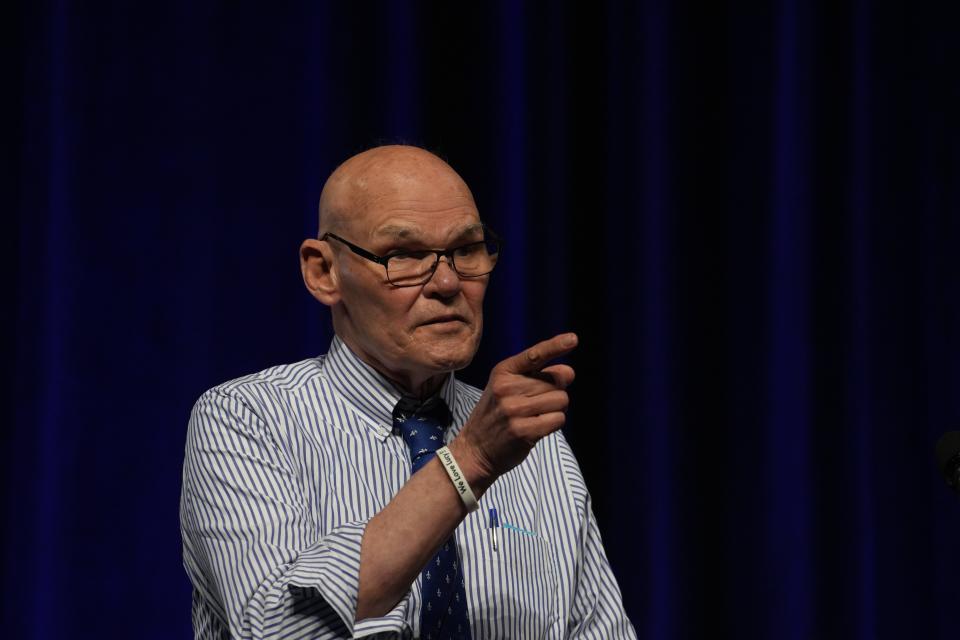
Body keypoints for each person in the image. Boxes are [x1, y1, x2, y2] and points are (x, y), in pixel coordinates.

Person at [180, 145, 637, 639]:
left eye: (466, 250)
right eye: (405, 256)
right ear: (323, 272)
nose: (447, 282)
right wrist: (468, 461)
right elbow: (276, 629)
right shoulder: (247, 419)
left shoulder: (537, 446)